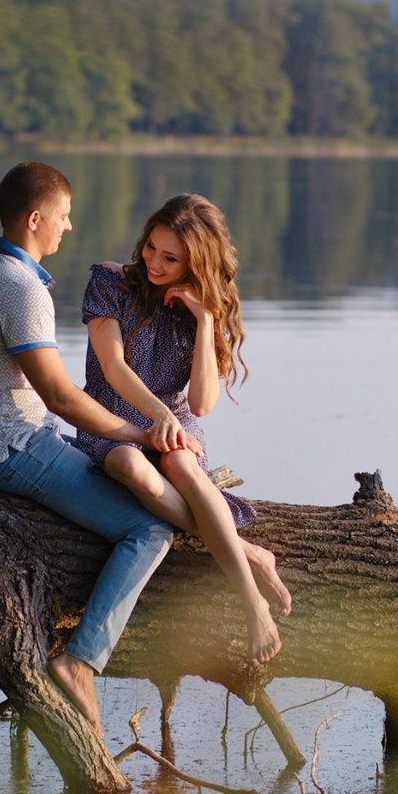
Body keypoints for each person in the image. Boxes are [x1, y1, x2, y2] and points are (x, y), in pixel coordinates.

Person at [0, 161, 193, 739]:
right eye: (62, 215)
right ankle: (79, 661)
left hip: (5, 440)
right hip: (10, 446)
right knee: (147, 531)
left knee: (133, 492)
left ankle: (225, 539)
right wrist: (136, 431)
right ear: (35, 219)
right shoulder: (20, 288)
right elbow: (60, 396)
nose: (69, 225)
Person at [74, 193, 292, 666]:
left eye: (170, 258)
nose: (153, 262)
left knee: (180, 464)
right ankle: (246, 552)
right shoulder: (110, 283)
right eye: (151, 247)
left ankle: (252, 603)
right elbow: (112, 368)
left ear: (196, 261)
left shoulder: (203, 309)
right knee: (133, 463)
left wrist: (206, 318)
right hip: (111, 420)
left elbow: (201, 404)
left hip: (177, 426)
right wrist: (156, 417)